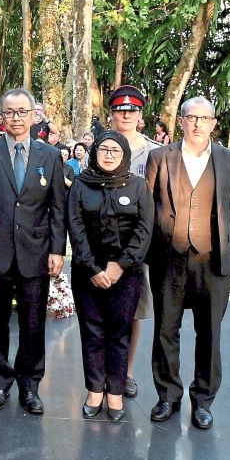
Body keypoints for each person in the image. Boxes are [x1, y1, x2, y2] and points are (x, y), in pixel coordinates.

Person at [144, 96, 230, 430]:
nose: (198, 123)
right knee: (165, 329)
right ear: (181, 121)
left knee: (210, 333)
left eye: (204, 118)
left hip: (212, 260)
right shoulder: (161, 157)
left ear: (214, 123)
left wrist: (224, 241)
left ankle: (203, 400)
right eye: (191, 117)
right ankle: (167, 396)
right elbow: (149, 205)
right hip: (168, 258)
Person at [0, 88, 67, 416]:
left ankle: (30, 385)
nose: (16, 118)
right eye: (10, 112)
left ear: (34, 115)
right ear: (1, 117)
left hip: (35, 252)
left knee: (33, 323)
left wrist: (57, 250)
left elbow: (58, 208)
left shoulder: (50, 156)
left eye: (22, 111)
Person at [67, 131, 154, 422]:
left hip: (125, 273)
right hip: (87, 272)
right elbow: (75, 228)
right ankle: (94, 390)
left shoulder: (138, 186)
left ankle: (115, 391)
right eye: (103, 149)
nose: (108, 155)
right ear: (94, 152)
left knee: (119, 332)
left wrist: (120, 266)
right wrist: (93, 269)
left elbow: (144, 229)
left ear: (124, 155)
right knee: (92, 332)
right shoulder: (81, 184)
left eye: (115, 150)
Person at [103, 85, 164, 400]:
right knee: (101, 309)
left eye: (132, 110)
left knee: (134, 310)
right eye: (120, 110)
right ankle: (100, 371)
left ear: (140, 115)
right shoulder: (100, 147)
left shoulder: (154, 153)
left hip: (138, 243)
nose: (125, 115)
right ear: (111, 114)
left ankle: (124, 373)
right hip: (102, 241)